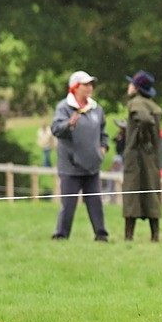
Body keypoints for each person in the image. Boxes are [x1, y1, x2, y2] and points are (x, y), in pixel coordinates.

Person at [50, 70, 109, 241]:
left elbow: (103, 132)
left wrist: (103, 147)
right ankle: (61, 235)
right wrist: (69, 124)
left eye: (91, 84)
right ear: (75, 87)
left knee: (95, 203)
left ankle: (101, 235)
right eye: (85, 85)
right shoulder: (64, 108)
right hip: (71, 166)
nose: (90, 88)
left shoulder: (96, 109)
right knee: (68, 204)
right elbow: (56, 129)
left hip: (92, 165)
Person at [122, 71, 162, 242]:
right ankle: (155, 236)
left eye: (131, 83)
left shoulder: (136, 103)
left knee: (131, 193)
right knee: (152, 192)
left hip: (136, 157)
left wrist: (142, 137)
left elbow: (145, 120)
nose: (129, 86)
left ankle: (128, 236)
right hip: (152, 157)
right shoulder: (153, 105)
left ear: (136, 88)